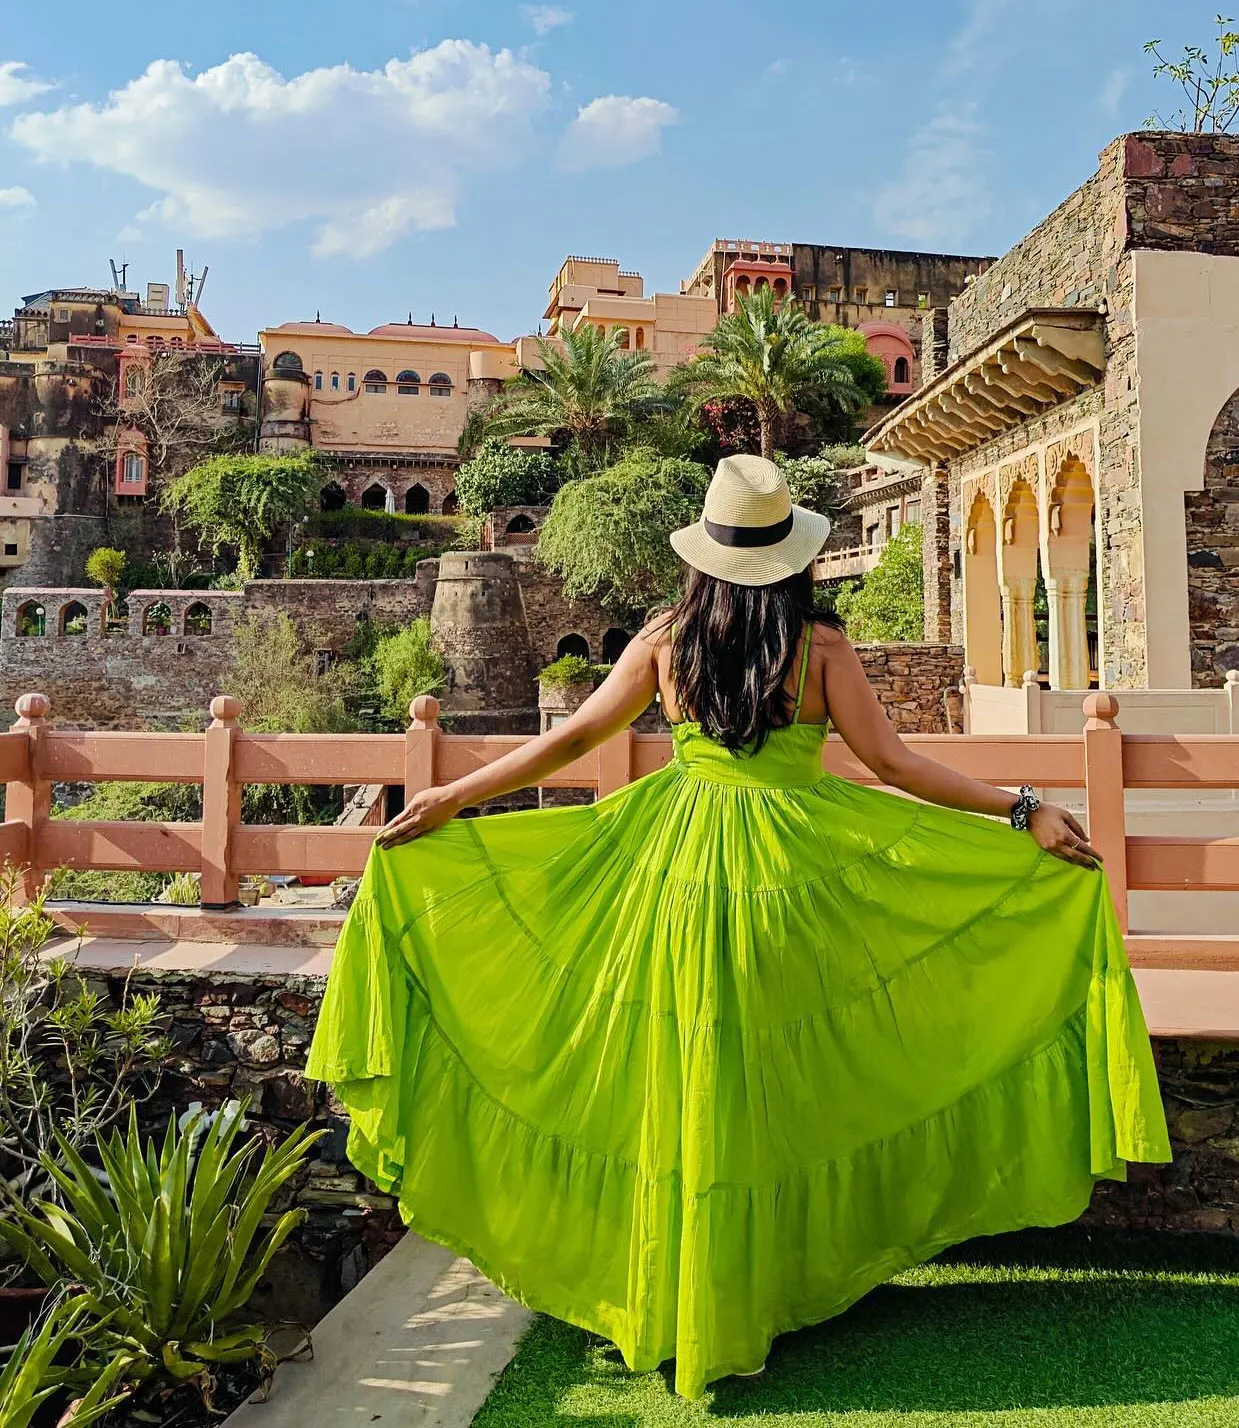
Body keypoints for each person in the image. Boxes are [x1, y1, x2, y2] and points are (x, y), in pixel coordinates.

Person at [306, 454, 1170, 1400]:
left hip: (670, 867)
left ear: (707, 556)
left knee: (677, 1073)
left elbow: (570, 740)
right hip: (793, 878)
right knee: (776, 1077)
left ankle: (681, 1293)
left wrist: (451, 796)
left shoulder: (664, 641)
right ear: (790, 558)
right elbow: (895, 766)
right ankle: (756, 1288)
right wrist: (1022, 809)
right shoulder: (823, 647)